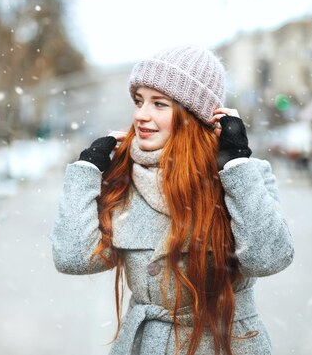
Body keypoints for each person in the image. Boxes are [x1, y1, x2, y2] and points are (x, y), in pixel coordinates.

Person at [51, 45, 294, 355]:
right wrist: (86, 170)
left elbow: (267, 258)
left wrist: (235, 163)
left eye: (159, 104)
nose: (141, 115)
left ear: (194, 115)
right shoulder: (124, 177)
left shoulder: (245, 175)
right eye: (139, 101)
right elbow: (73, 257)